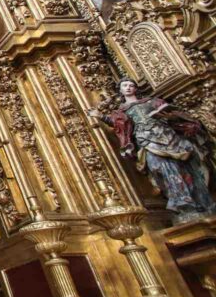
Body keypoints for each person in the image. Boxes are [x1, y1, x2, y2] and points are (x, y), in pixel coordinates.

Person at [90, 78, 216, 222]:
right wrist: (100, 116)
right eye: (125, 85)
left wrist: (168, 115)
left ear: (136, 89)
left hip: (169, 139)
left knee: (184, 169)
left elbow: (173, 113)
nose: (129, 88)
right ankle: (181, 203)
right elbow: (118, 124)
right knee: (160, 169)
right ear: (120, 89)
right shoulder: (122, 111)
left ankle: (199, 202)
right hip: (147, 142)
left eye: (132, 85)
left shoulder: (152, 101)